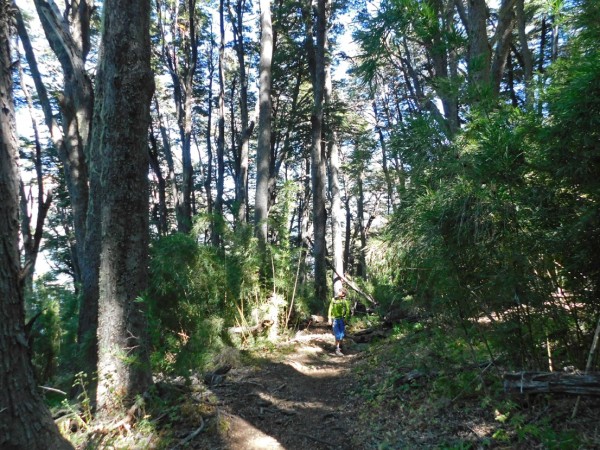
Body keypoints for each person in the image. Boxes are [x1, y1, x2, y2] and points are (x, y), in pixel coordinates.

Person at [328, 289, 351, 356]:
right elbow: (330, 309)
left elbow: (347, 310)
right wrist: (329, 318)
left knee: (341, 334)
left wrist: (345, 318)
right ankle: (337, 349)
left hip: (341, 319)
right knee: (337, 334)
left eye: (340, 291)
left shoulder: (344, 301)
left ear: (343, 294)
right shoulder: (333, 300)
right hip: (334, 319)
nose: (338, 292)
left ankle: (339, 347)